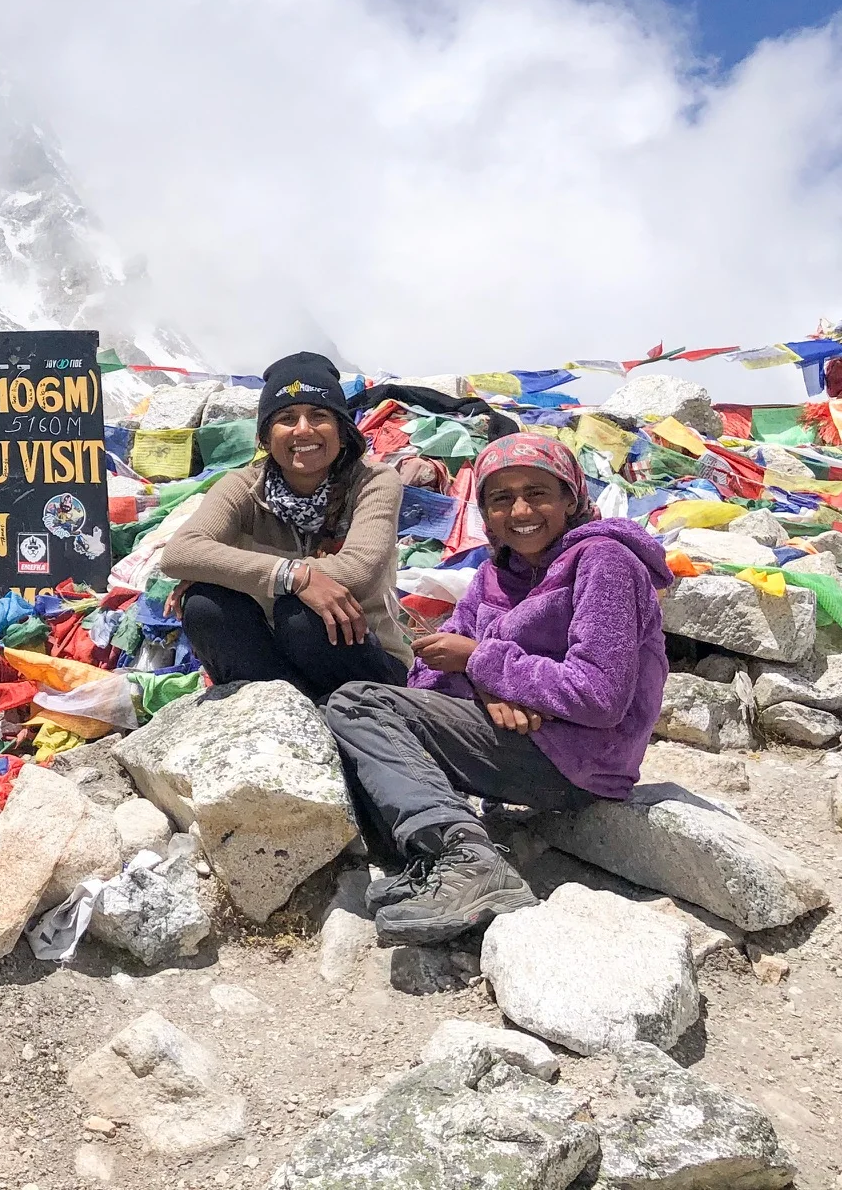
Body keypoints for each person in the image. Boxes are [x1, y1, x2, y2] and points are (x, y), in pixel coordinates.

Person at [324, 432, 673, 946]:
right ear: (485, 512)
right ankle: (433, 863)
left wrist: (484, 662)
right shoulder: (494, 575)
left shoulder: (603, 563)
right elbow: (431, 679)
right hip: (521, 742)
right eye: (501, 498)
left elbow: (601, 696)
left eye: (537, 492)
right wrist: (491, 688)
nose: (521, 509)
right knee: (350, 716)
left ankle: (465, 859)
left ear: (570, 498)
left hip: (580, 760)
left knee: (359, 704)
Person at [159, 351, 408, 702]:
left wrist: (226, 569)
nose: (303, 430)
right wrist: (294, 577)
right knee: (205, 603)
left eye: (319, 415)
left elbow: (358, 571)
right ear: (265, 437)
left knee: (301, 615)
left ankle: (339, 719)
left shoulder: (373, 481)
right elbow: (180, 553)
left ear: (341, 430)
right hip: (271, 662)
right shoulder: (242, 486)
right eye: (287, 418)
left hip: (364, 660)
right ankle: (285, 714)